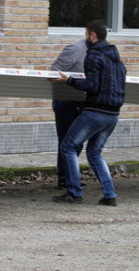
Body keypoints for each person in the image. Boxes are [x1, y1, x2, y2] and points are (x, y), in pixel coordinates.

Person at [52, 20, 126, 206]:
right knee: (94, 153)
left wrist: (69, 80)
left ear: (93, 35)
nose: (85, 38)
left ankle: (74, 192)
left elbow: (91, 86)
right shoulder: (117, 60)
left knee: (68, 146)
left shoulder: (94, 55)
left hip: (95, 111)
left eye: (86, 35)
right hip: (113, 115)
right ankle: (109, 195)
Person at [50, 39, 87, 189]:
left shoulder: (98, 52)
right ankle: (65, 178)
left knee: (76, 141)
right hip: (66, 101)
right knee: (66, 140)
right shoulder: (75, 50)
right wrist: (61, 94)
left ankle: (70, 177)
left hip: (81, 100)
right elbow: (54, 71)